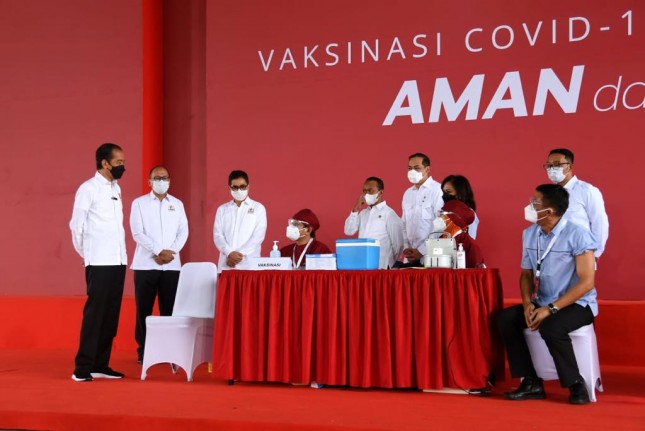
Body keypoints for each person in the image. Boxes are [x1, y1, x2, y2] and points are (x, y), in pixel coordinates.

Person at [496, 184, 597, 405]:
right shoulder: (529, 234)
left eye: (535, 203)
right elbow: (526, 274)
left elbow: (587, 282)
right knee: (505, 319)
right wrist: (526, 304)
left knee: (552, 327)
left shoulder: (578, 234)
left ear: (549, 211)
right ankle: (531, 382)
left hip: (577, 304)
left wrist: (551, 309)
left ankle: (575, 383)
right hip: (541, 301)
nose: (529, 207)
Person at [69, 143, 128, 382]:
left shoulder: (116, 188)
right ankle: (82, 368)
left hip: (118, 260)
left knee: (110, 315)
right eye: (119, 163)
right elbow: (76, 225)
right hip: (99, 261)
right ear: (105, 163)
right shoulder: (88, 189)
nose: (123, 167)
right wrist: (88, 254)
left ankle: (100, 364)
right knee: (95, 315)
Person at [130, 165, 189, 364]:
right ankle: (144, 350)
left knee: (170, 310)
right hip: (145, 265)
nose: (161, 181)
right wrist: (158, 251)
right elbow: (137, 233)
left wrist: (170, 253)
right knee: (143, 310)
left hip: (172, 265)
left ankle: (169, 351)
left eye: (164, 177)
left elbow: (184, 232)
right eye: (157, 178)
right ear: (149, 181)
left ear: (170, 180)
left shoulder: (178, 204)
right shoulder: (139, 204)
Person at [544, 148, 609, 259]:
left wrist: (595, 254)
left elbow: (600, 224)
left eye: (557, 164)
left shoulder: (587, 191)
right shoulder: (548, 194)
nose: (552, 169)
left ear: (570, 166)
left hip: (579, 254)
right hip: (553, 255)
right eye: (549, 165)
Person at [343, 177, 404, 269]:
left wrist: (390, 262)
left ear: (380, 192)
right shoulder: (363, 214)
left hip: (382, 265)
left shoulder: (389, 214)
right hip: (363, 263)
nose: (366, 194)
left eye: (370, 191)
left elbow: (398, 244)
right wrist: (356, 209)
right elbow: (348, 231)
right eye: (364, 191)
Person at [213, 170, 267, 272]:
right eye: (235, 187)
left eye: (243, 186)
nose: (239, 190)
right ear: (229, 188)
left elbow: (258, 237)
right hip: (227, 264)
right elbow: (218, 236)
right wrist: (229, 253)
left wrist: (238, 256)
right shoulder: (222, 209)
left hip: (249, 265)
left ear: (248, 187)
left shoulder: (258, 208)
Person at [399, 153, 443, 266]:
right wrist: (406, 248)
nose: (412, 171)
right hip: (410, 257)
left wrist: (422, 250)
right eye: (410, 168)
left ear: (427, 169)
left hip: (430, 256)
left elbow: (441, 225)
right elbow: (404, 224)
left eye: (417, 168)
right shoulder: (408, 193)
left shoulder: (437, 190)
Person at [434, 199, 485, 268]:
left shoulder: (469, 244)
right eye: (440, 213)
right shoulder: (439, 240)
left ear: (455, 220)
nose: (439, 217)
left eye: (443, 214)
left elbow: (476, 275)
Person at [441, 174, 479, 239]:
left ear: (460, 194)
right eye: (443, 192)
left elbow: (470, 239)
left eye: (448, 192)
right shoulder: (444, 212)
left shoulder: (469, 214)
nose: (444, 195)